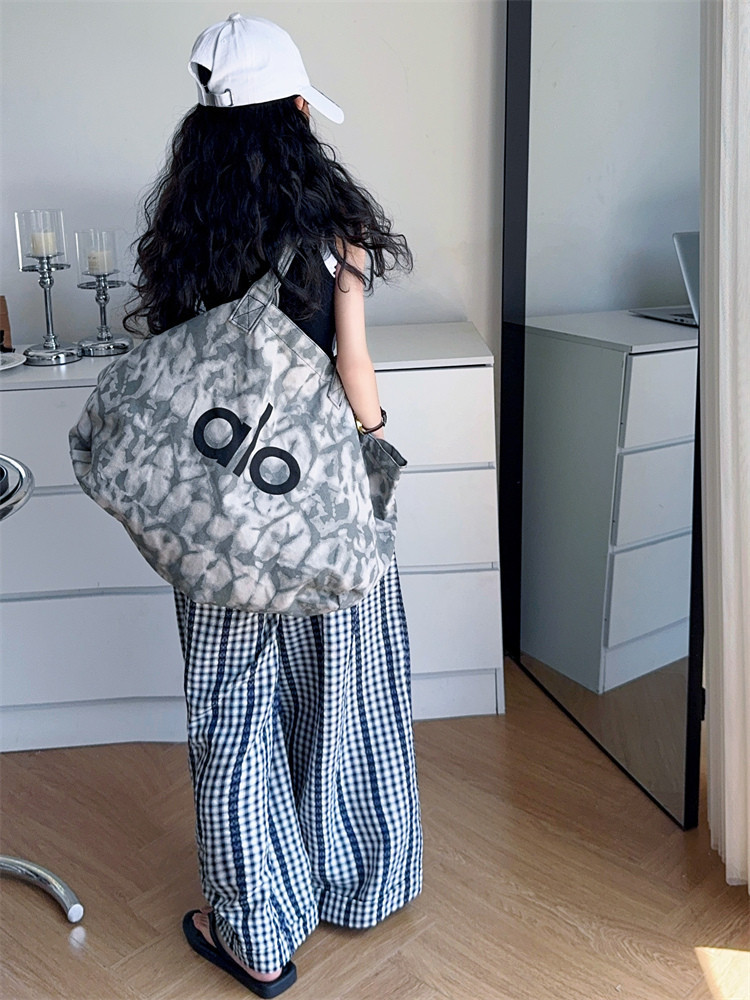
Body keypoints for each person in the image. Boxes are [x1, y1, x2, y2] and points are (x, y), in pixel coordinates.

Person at [124, 14, 423, 998]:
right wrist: (374, 436)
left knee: (231, 710)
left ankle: (256, 929)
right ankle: (356, 881)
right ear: (296, 110)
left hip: (213, 512)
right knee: (345, 690)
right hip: (317, 500)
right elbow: (356, 383)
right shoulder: (333, 233)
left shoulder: (183, 236)